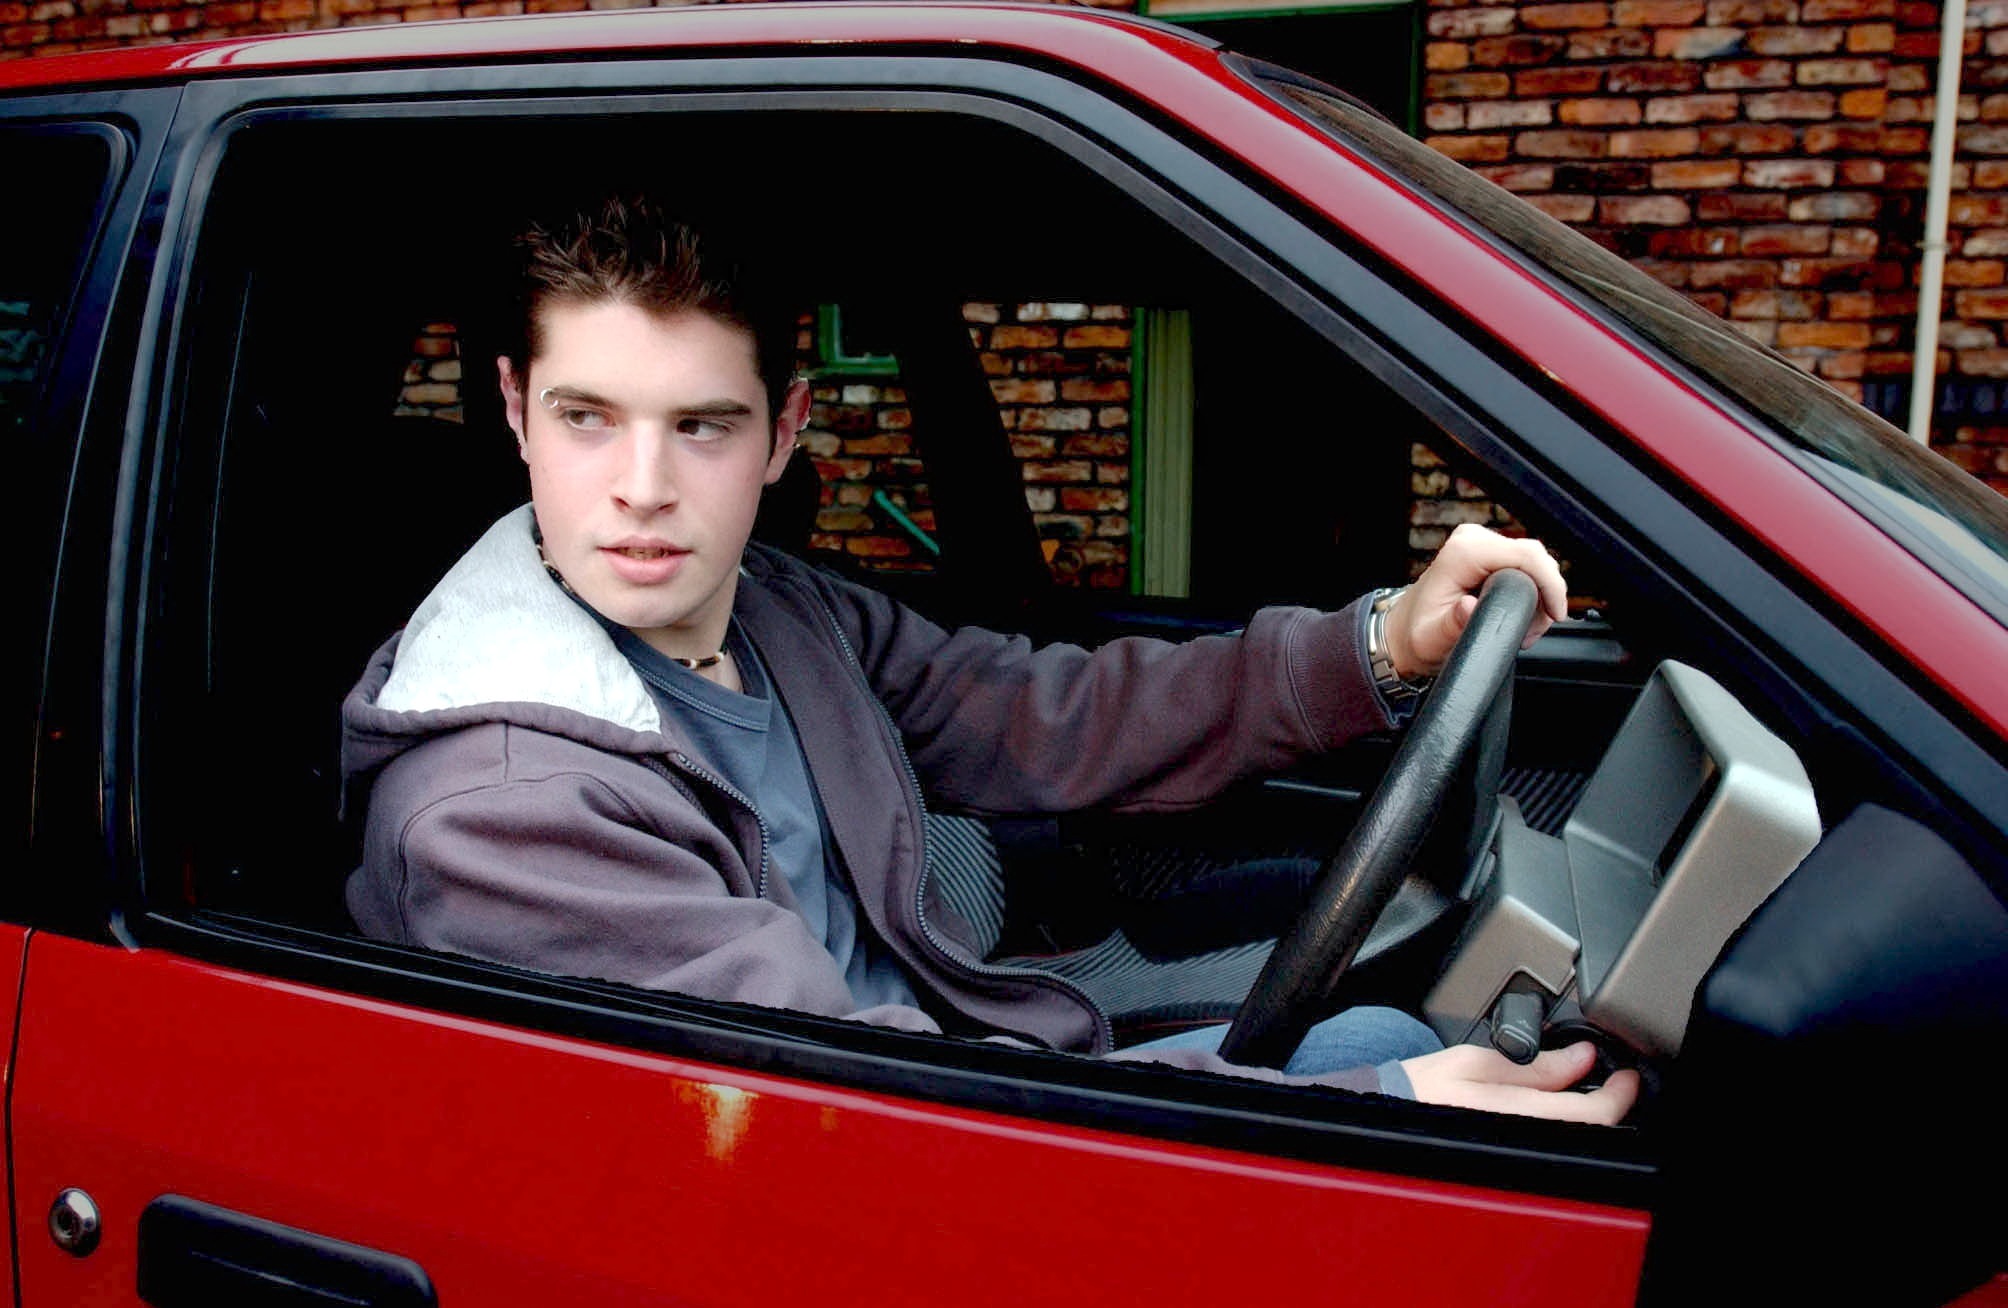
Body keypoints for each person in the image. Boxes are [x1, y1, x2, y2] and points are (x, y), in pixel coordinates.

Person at [341, 197, 1638, 1124]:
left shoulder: (780, 613)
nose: (642, 489)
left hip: (937, 1068)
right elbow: (850, 1116)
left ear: (785, 432)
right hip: (858, 1171)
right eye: (587, 420)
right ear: (515, 411)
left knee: (1392, 1039)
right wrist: (1381, 1112)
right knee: (1414, 1097)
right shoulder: (502, 808)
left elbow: (1038, 711)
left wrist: (1382, 646)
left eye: (702, 426)